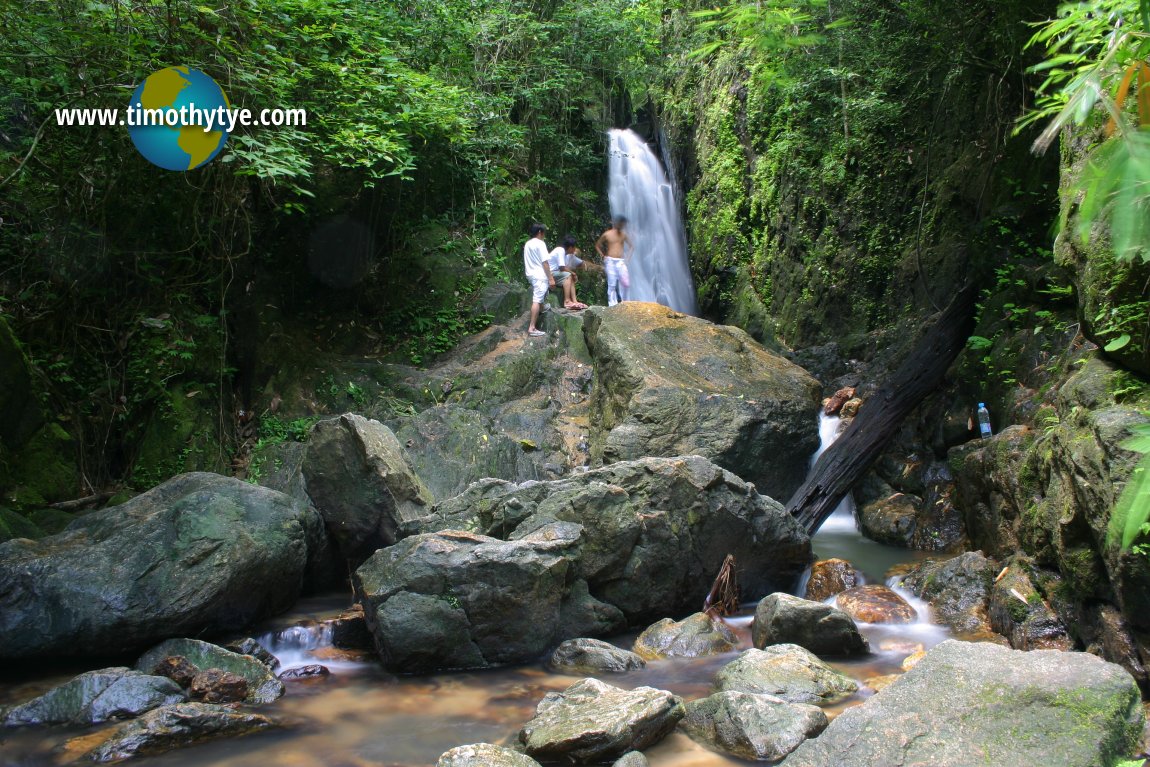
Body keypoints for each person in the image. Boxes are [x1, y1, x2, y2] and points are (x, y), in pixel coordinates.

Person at [548, 234, 597, 310]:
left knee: (570, 276)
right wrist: (573, 273)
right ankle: (567, 301)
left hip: (555, 274)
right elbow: (562, 268)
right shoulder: (560, 250)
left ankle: (574, 301)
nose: (575, 249)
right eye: (574, 247)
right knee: (568, 275)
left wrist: (573, 274)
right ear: (570, 247)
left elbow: (578, 263)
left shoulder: (565, 254)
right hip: (549, 275)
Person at [523, 222, 554, 337]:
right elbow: (545, 262)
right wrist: (551, 279)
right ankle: (532, 327)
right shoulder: (540, 244)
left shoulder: (528, 244)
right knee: (537, 299)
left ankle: (543, 307)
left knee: (539, 294)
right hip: (539, 275)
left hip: (530, 274)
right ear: (540, 232)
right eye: (544, 232)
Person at [595, 215, 634, 306]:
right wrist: (602, 256)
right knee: (612, 284)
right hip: (610, 261)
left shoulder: (623, 235)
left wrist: (627, 258)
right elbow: (597, 245)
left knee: (626, 283)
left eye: (623, 224)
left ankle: (625, 303)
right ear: (616, 223)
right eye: (620, 223)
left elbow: (631, 246)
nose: (621, 225)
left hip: (620, 261)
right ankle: (612, 305)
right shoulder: (607, 234)